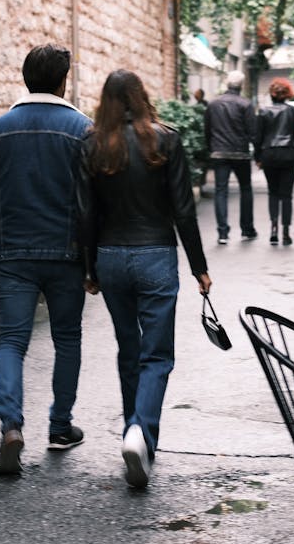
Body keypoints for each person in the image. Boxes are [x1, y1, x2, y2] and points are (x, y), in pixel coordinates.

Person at [78, 69, 211, 489]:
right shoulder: (165, 139)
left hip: (111, 257)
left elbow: (85, 212)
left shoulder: (91, 144)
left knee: (128, 349)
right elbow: (183, 210)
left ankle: (133, 433)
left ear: (106, 101)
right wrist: (199, 266)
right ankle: (140, 432)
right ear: (141, 96)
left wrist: (89, 267)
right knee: (157, 356)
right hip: (156, 254)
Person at [0, 44, 93, 476]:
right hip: (65, 254)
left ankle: (11, 427)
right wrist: (90, 259)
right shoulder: (82, 129)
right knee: (68, 339)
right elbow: (91, 202)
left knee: (11, 341)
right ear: (63, 80)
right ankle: (60, 427)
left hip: (13, 253)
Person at [204, 70, 257, 244]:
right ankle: (247, 229)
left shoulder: (213, 104)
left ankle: (222, 233)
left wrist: (211, 148)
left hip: (219, 152)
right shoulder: (246, 104)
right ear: (241, 86)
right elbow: (252, 131)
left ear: (227, 84)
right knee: (246, 189)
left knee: (221, 191)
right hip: (240, 153)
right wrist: (257, 152)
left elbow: (207, 129)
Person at [254, 78, 294, 246]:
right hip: (289, 155)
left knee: (273, 193)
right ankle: (285, 232)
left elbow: (258, 137)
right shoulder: (292, 111)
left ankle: (273, 229)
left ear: (272, 94)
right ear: (287, 94)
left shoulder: (263, 111)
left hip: (269, 155)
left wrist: (258, 158)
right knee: (286, 195)